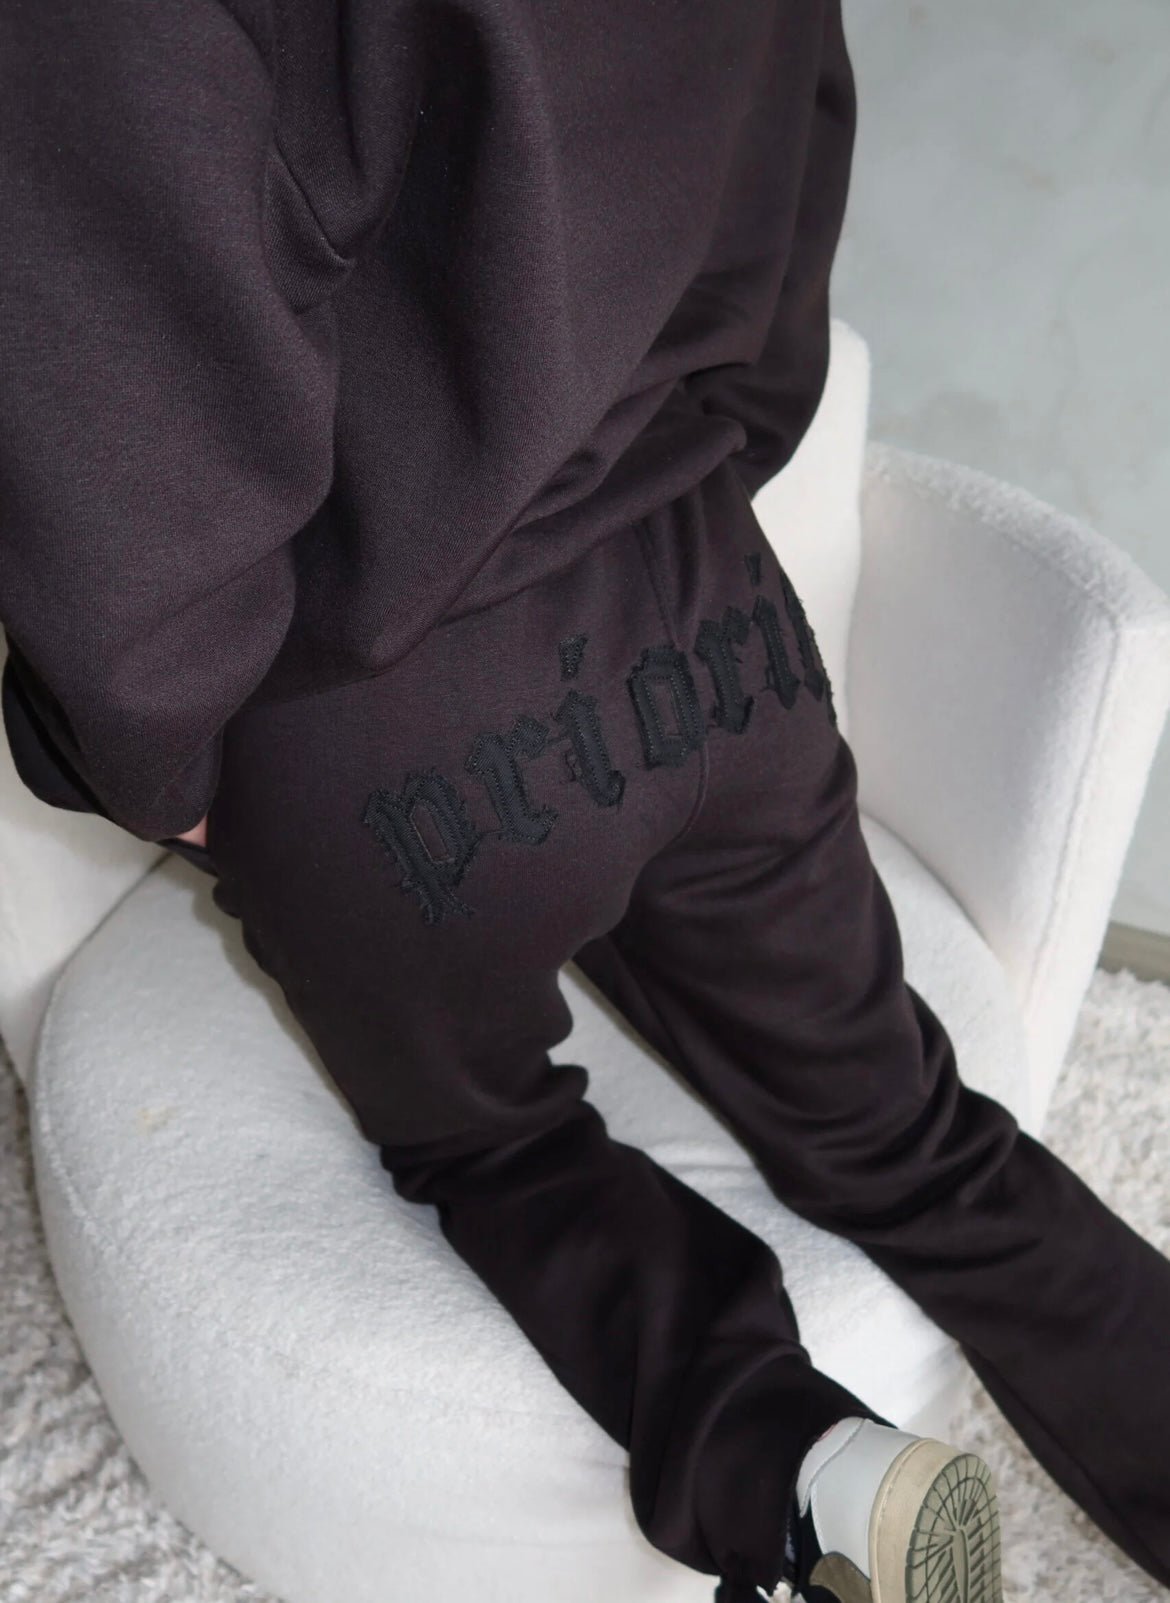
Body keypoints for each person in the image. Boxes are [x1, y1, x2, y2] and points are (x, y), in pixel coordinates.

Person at [3, 3, 1169, 1600]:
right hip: (703, 609)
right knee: (905, 1129)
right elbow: (789, 153)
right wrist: (706, 479)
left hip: (366, 715)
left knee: (499, 1145)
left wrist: (164, 753)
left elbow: (97, 345)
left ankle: (795, 1463)